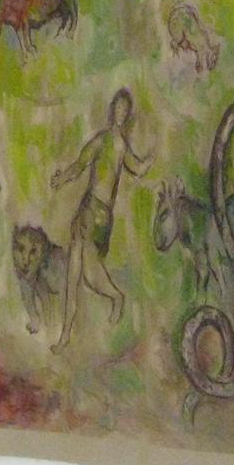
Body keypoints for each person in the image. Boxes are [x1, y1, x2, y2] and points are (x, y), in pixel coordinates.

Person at [50, 87, 151, 352]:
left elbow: (138, 168)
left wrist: (152, 157)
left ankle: (116, 297)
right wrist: (62, 179)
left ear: (127, 115)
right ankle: (65, 334)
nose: (120, 113)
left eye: (124, 110)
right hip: (88, 209)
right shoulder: (102, 140)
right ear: (112, 110)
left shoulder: (122, 147)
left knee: (88, 274)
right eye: (118, 107)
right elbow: (79, 165)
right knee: (74, 274)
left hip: (101, 216)